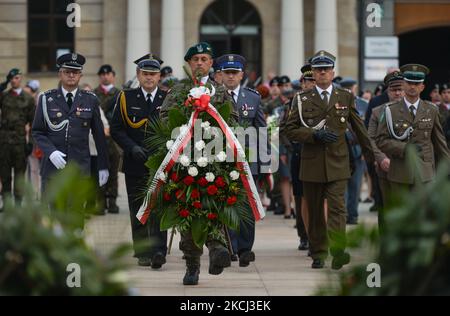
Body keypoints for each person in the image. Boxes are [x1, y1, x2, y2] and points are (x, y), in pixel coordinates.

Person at [285, 50, 374, 270]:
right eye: (318, 69)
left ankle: (338, 250)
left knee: (337, 209)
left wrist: (373, 155)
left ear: (333, 72)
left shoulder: (345, 96)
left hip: (338, 161)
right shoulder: (301, 99)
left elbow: (359, 128)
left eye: (326, 69)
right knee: (315, 211)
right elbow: (290, 129)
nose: (322, 72)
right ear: (313, 73)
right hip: (312, 162)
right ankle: (318, 252)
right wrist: (313, 135)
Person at [159, 42, 235, 285]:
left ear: (211, 63)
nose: (200, 63)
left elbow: (232, 122)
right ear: (189, 64)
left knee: (214, 206)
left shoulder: (219, 91)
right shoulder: (178, 91)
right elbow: (164, 120)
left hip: (215, 159)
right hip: (184, 161)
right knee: (187, 210)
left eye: (204, 59)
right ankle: (192, 264)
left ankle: (216, 250)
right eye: (196, 59)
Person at [111, 54, 168, 269]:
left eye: (153, 74)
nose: (149, 78)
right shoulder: (126, 97)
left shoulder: (167, 98)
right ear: (138, 75)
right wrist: (131, 147)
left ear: (159, 76)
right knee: (139, 207)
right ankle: (143, 251)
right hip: (135, 162)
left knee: (159, 206)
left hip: (160, 162)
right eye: (145, 74)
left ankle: (159, 250)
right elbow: (116, 128)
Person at [31, 53, 109, 195]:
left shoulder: (90, 100)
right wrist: (51, 152)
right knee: (54, 215)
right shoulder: (46, 99)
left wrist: (103, 166)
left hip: (79, 169)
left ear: (80, 76)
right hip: (53, 169)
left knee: (76, 215)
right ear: (60, 74)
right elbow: (37, 131)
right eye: (67, 72)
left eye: (75, 72)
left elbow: (99, 136)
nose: (71, 75)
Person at [217, 53, 267, 268]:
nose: (230, 77)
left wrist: (265, 164)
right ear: (220, 75)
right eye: (227, 73)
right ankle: (231, 247)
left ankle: (246, 249)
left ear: (241, 75)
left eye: (234, 73)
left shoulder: (253, 97)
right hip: (221, 160)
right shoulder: (213, 98)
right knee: (227, 204)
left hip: (249, 161)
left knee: (246, 206)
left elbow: (262, 131)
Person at [375, 64, 450, 194]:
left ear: (422, 87)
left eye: (416, 83)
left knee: (422, 214)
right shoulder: (390, 110)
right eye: (409, 83)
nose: (412, 86)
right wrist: (404, 148)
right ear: (403, 84)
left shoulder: (431, 110)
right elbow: (381, 140)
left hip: (424, 174)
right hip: (399, 173)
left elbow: (440, 143)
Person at [367, 71, 404, 230]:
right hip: (386, 166)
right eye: (393, 90)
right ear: (387, 91)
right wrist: (381, 158)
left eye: (400, 89)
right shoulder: (378, 112)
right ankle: (386, 249)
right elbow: (371, 138)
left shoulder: (417, 110)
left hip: (410, 166)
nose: (397, 93)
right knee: (387, 208)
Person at [0, 68, 35, 211]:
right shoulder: (4, 96)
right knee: (5, 175)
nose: (15, 80)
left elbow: (33, 123)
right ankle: (7, 205)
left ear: (21, 79)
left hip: (20, 142)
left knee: (20, 176)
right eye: (12, 78)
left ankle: (19, 206)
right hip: (4, 142)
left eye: (17, 78)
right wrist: (4, 83)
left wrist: (31, 143)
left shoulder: (28, 99)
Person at [94, 65, 121, 214]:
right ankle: (100, 201)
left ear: (113, 76)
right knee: (99, 170)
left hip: (115, 139)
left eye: (108, 73)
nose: (105, 76)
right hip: (98, 139)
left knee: (113, 171)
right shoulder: (93, 94)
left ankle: (112, 201)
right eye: (102, 74)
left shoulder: (119, 94)